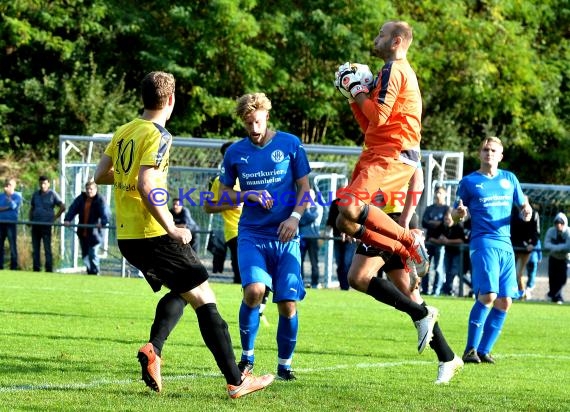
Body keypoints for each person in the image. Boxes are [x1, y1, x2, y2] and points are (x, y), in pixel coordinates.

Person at [93, 71, 273, 398]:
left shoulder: (124, 131)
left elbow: (101, 174)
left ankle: (153, 349)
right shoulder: (159, 135)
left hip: (127, 237)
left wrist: (129, 181)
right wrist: (171, 227)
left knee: (186, 288)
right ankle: (236, 380)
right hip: (152, 234)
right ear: (172, 99)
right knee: (205, 299)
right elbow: (147, 184)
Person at [333, 20, 438, 352]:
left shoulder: (395, 69)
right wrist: (354, 97)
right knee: (343, 221)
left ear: (395, 41)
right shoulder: (385, 71)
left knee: (348, 206)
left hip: (393, 154)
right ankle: (418, 303)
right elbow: (370, 125)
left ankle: (409, 242)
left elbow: (378, 117)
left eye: (380, 34)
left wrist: (359, 91)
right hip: (377, 150)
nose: (374, 38)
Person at [218, 92, 311, 381]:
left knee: (287, 303)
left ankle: (285, 365)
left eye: (257, 121)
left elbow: (304, 188)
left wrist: (294, 218)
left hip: (286, 235)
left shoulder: (290, 144)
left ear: (267, 116)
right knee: (254, 291)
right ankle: (247, 357)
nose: (254, 129)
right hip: (252, 234)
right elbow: (220, 195)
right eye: (248, 124)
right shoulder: (235, 152)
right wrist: (247, 194)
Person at [347, 165, 462, 383]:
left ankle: (423, 317)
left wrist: (405, 221)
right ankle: (447, 357)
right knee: (411, 296)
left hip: (392, 219)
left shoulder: (399, 136)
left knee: (358, 277)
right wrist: (353, 218)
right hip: (376, 217)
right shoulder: (372, 141)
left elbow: (417, 177)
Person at [452, 136, 532, 364]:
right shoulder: (469, 182)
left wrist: (526, 210)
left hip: (506, 245)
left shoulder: (509, 179)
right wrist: (459, 214)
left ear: (500, 156)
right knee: (488, 295)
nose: (489, 153)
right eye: (485, 150)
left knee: (505, 301)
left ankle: (484, 350)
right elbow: (455, 213)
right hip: (483, 242)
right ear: (480, 154)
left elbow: (523, 203)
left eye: (493, 150)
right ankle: (470, 350)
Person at [203, 141, 242, 284]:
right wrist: (230, 205)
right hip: (235, 230)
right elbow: (208, 207)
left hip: (258, 227)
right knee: (240, 267)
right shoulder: (218, 180)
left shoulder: (253, 174)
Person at [63, 181, 110, 275]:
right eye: (87, 189)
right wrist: (67, 219)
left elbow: (105, 213)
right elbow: (73, 208)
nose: (89, 191)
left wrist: (103, 223)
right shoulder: (81, 199)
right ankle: (90, 272)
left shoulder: (100, 199)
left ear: (96, 189)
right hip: (83, 232)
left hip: (95, 234)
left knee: (93, 253)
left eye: (91, 189)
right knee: (85, 255)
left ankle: (95, 272)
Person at [29, 175, 66, 272]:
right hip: (35, 225)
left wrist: (55, 218)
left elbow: (62, 206)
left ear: (48, 184)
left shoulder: (52, 194)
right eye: (41, 183)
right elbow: (32, 208)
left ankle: (48, 269)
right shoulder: (35, 194)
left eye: (44, 183)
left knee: (47, 248)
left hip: (46, 225)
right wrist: (30, 220)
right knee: (35, 248)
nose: (42, 185)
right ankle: (36, 268)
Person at [325, 191, 356, 291]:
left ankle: (345, 286)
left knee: (346, 263)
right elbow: (330, 220)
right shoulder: (335, 203)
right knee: (339, 263)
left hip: (350, 239)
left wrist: (350, 231)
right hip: (337, 238)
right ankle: (343, 286)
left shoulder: (353, 203)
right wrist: (326, 232)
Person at [510, 196, 540, 299]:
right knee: (511, 272)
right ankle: (520, 293)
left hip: (525, 249)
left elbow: (536, 232)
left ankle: (522, 293)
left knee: (519, 272)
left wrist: (532, 243)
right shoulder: (512, 213)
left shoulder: (534, 214)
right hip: (513, 247)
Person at [421, 186, 449, 295]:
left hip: (440, 243)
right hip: (429, 242)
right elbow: (424, 222)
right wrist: (435, 223)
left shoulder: (447, 209)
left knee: (438, 268)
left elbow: (446, 223)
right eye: (437, 193)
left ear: (445, 195)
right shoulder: (429, 208)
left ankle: (436, 291)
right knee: (425, 268)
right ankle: (425, 290)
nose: (438, 195)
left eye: (440, 193)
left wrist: (434, 222)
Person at [439, 208, 468, 296]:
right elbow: (436, 236)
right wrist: (441, 240)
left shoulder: (458, 226)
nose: (446, 220)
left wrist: (447, 241)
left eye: (447, 218)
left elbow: (461, 240)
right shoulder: (444, 226)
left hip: (458, 254)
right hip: (448, 252)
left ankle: (450, 290)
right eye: (445, 218)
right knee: (448, 272)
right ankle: (447, 291)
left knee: (454, 272)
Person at [543, 213, 570, 304]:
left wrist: (554, 247)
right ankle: (556, 297)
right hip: (553, 258)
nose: (559, 225)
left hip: (564, 259)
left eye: (561, 223)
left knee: (562, 279)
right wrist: (560, 248)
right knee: (552, 278)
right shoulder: (551, 231)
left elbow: (568, 246)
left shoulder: (568, 232)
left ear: (564, 223)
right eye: (557, 223)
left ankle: (552, 295)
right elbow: (546, 244)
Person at [299, 189, 323, 288]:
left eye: (309, 195)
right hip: (302, 238)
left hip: (313, 238)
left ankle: (315, 283)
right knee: (299, 260)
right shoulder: (300, 207)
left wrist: (307, 209)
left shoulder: (318, 207)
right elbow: (299, 221)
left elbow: (310, 218)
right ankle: (300, 281)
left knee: (314, 261)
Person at [0, 178, 23, 270]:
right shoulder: (1, 196)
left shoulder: (17, 196)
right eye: (6, 184)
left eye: (9, 185)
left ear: (13, 186)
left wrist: (9, 199)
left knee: (12, 245)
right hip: (1, 223)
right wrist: (7, 207)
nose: (7, 186)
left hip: (11, 224)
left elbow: (14, 206)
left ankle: (13, 266)